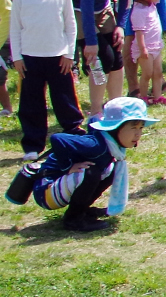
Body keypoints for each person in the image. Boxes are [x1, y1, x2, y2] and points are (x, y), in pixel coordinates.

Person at [6, 95, 155, 231]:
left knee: (112, 169)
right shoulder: (95, 145)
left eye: (141, 128)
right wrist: (68, 167)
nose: (138, 134)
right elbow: (57, 139)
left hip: (57, 187)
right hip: (47, 190)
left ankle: (82, 210)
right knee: (91, 172)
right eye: (133, 128)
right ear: (115, 128)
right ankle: (73, 220)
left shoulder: (109, 144)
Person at [11, 0, 81, 160]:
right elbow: (15, 28)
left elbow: (71, 25)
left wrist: (69, 54)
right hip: (30, 58)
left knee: (64, 99)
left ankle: (74, 135)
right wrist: (17, 57)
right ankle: (33, 144)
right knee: (31, 102)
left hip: (58, 56)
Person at [128, 0, 166, 107]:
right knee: (147, 73)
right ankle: (143, 97)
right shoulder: (139, 11)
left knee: (158, 73)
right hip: (144, 48)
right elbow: (139, 33)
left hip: (155, 46)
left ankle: (158, 96)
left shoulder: (151, 5)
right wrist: (143, 49)